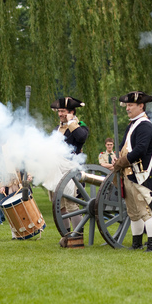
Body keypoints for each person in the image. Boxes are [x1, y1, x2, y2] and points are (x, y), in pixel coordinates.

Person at [110, 91, 152, 252]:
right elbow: (124, 147)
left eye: (130, 105)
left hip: (141, 175)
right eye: (127, 105)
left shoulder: (145, 125)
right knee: (133, 213)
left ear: (141, 106)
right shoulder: (133, 125)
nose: (127, 108)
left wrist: (121, 161)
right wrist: (117, 158)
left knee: (145, 211)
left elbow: (140, 150)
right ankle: (137, 243)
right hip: (129, 174)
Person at [50, 96, 89, 233]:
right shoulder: (56, 129)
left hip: (71, 169)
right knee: (59, 205)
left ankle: (77, 235)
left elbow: (81, 137)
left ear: (72, 112)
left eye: (64, 111)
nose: (60, 114)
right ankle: (66, 234)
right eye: (59, 111)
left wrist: (71, 122)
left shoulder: (80, 127)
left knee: (71, 204)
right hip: (56, 170)